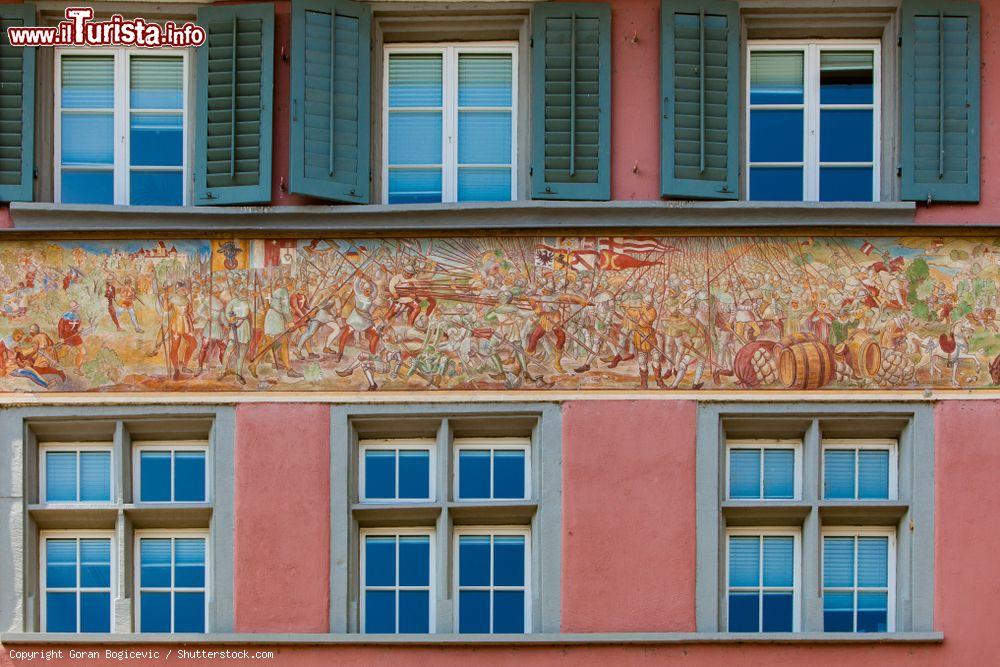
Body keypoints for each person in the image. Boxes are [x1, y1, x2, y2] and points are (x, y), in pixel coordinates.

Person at [57, 300, 85, 372]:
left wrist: (79, 330)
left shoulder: (78, 316)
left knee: (82, 351)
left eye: (77, 307)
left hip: (75, 336)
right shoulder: (65, 316)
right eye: (76, 307)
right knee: (63, 353)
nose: (77, 308)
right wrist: (61, 337)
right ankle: (55, 364)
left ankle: (77, 369)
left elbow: (77, 327)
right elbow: (60, 327)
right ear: (72, 308)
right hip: (66, 336)